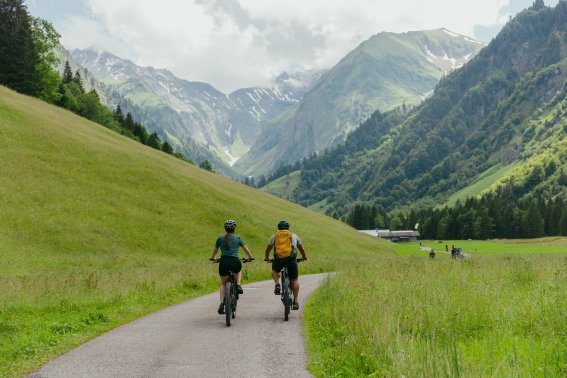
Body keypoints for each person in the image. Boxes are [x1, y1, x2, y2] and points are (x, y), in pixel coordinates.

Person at [210, 219, 254, 315]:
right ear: (234, 229)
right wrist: (250, 258)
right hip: (235, 262)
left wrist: (213, 258)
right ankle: (238, 285)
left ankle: (222, 304)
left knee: (223, 283)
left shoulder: (220, 239)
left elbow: (214, 251)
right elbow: (246, 250)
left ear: (225, 229)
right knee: (238, 271)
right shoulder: (238, 238)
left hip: (224, 263)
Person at [264, 220, 307, 310]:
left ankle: (277, 284)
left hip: (278, 259)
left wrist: (267, 257)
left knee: (275, 271)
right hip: (291, 259)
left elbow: (268, 249)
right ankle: (295, 302)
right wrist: (303, 256)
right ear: (288, 228)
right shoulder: (293, 235)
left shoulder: (274, 236)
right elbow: (301, 248)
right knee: (294, 279)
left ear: (278, 228)